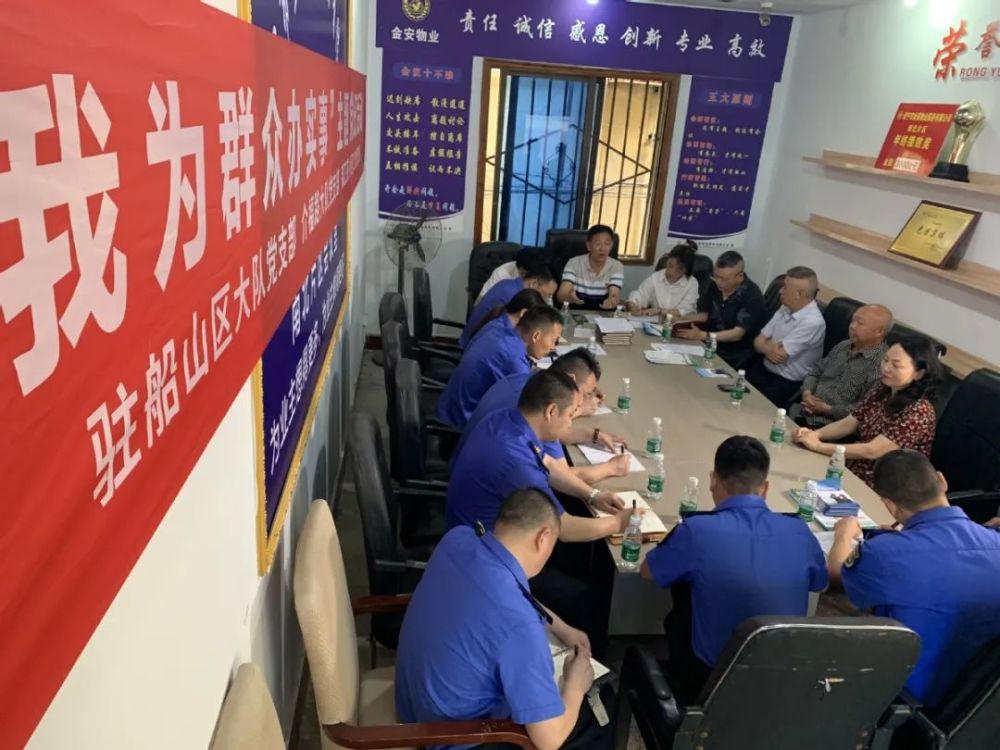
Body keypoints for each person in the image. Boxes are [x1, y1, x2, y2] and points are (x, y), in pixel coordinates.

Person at [396, 488, 611, 750]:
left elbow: (509, 595)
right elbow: (549, 740)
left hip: (415, 707)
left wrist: (562, 627)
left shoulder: (457, 539)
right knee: (598, 714)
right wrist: (576, 685)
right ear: (543, 538)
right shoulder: (519, 624)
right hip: (455, 738)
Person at [448, 370, 633, 655]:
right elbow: (564, 529)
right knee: (589, 600)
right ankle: (592, 662)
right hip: (488, 561)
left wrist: (593, 495)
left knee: (583, 557)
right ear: (550, 411)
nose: (571, 423)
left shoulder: (508, 422)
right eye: (570, 415)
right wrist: (618, 523)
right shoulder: (513, 461)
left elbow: (549, 468)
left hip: (477, 534)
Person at [640, 435, 827, 703]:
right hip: (783, 677)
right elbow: (820, 583)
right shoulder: (799, 531)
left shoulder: (696, 531)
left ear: (713, 480)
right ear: (765, 488)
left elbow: (647, 572)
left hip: (710, 679)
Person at [827, 450, 1000, 707]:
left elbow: (835, 574)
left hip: (908, 695)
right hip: (979, 701)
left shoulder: (884, 554)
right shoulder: (995, 542)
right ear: (942, 481)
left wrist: (843, 535)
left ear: (889, 505)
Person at [459, 348, 630, 514]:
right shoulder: (525, 447)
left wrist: (592, 434)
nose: (570, 421)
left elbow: (549, 463)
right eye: (586, 394)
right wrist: (610, 468)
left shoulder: (527, 391)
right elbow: (561, 478)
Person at [792, 337, 942, 489]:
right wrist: (814, 435)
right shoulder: (882, 391)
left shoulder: (919, 411)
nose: (886, 368)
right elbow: (850, 422)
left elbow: (872, 451)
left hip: (886, 485)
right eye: (886, 360)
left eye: (896, 365)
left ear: (919, 374)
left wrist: (818, 446)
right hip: (855, 467)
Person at [437, 305, 563, 429]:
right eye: (553, 341)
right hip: (461, 424)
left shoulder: (502, 332)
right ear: (536, 336)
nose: (553, 348)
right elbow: (530, 410)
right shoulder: (513, 358)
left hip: (449, 409)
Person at [788, 304, 893, 427]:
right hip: (801, 410)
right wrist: (807, 393)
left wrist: (827, 409)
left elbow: (864, 409)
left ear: (879, 332)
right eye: (853, 320)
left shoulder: (882, 365)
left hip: (830, 426)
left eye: (860, 323)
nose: (852, 326)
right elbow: (815, 372)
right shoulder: (843, 346)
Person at [746, 267, 826, 409]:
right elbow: (758, 341)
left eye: (785, 288)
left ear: (799, 294)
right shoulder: (786, 307)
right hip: (762, 369)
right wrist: (770, 348)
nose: (780, 291)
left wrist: (766, 345)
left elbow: (779, 356)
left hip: (784, 384)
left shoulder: (812, 322)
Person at [674, 251, 765, 370]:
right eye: (715, 276)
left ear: (740, 276)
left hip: (735, 355)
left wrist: (703, 335)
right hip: (708, 345)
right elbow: (706, 315)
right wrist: (681, 319)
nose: (718, 281)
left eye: (724, 279)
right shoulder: (714, 285)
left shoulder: (752, 295)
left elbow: (737, 334)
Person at [461, 263, 558, 348]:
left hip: (478, 342)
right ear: (534, 283)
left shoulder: (510, 284)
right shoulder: (515, 296)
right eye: (547, 295)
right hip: (474, 346)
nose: (546, 299)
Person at [556, 225, 624, 311]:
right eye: (598, 244)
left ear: (611, 245)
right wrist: (569, 297)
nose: (602, 249)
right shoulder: (574, 263)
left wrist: (612, 300)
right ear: (588, 245)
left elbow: (614, 294)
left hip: (603, 314)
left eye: (607, 244)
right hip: (577, 313)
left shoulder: (616, 266)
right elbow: (561, 295)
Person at [626, 240, 700, 318]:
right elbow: (639, 295)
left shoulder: (692, 283)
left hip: (680, 323)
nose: (671, 273)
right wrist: (633, 307)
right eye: (670, 266)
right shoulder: (656, 277)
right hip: (655, 323)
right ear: (667, 261)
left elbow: (685, 310)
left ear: (686, 270)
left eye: (678, 270)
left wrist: (660, 311)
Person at [476, 247, 543, 302]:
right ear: (520, 267)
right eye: (524, 273)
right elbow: (482, 297)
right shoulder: (502, 272)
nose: (526, 276)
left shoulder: (537, 271)